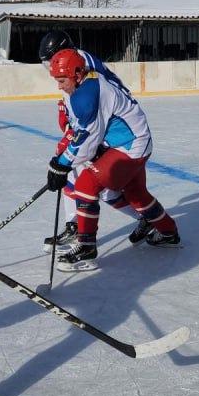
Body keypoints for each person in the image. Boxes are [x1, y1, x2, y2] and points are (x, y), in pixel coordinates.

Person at [43, 48, 180, 271]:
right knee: (136, 194)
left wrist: (62, 164)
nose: (59, 86)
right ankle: (168, 231)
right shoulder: (86, 83)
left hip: (130, 146)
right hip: (134, 140)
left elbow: (87, 139)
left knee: (87, 184)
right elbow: (82, 133)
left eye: (62, 80)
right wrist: (60, 159)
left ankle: (86, 247)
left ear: (77, 74)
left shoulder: (89, 94)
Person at [36, 30, 140, 253]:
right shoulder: (71, 63)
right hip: (98, 125)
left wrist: (68, 152)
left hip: (109, 128)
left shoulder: (83, 67)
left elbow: (91, 119)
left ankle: (143, 217)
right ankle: (74, 226)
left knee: (97, 186)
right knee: (73, 174)